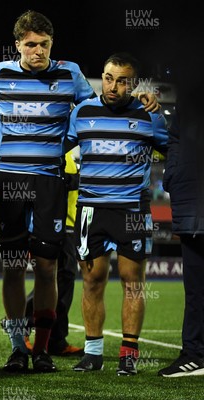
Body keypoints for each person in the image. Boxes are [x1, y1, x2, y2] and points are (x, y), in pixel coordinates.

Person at [0, 10, 159, 373]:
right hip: (10, 180)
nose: (38, 51)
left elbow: (101, 107)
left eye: (44, 44)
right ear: (18, 46)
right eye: (30, 45)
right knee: (13, 268)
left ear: (51, 44)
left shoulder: (70, 74)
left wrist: (141, 97)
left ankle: (42, 349)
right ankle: (17, 348)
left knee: (47, 268)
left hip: (49, 182)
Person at [66, 52, 168, 375]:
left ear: (133, 84)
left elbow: (173, 151)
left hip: (133, 210)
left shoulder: (150, 116)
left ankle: (128, 355)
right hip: (91, 210)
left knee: (132, 281)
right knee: (92, 279)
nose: (113, 86)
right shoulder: (82, 113)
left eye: (122, 81)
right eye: (109, 78)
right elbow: (58, 148)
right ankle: (93, 354)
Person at [157, 65, 204, 378]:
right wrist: (172, 175)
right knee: (196, 289)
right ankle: (195, 354)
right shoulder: (187, 100)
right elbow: (175, 140)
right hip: (192, 206)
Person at [22, 148, 84, 357]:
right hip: (53, 224)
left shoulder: (69, 154)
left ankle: (57, 339)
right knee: (50, 279)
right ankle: (23, 325)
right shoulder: (56, 151)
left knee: (64, 280)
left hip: (70, 225)